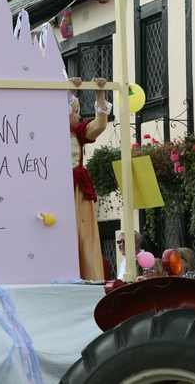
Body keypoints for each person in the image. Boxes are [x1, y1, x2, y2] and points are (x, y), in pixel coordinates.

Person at [69, 77, 111, 281]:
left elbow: (99, 125)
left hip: (78, 189)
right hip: (58, 189)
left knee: (85, 234)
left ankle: (89, 275)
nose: (78, 116)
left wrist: (99, 93)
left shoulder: (76, 132)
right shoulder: (46, 130)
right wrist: (66, 91)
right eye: (75, 112)